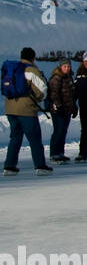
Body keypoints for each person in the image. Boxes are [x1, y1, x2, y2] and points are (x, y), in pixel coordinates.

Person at [3, 47, 52, 176]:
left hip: (10, 109)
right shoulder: (30, 70)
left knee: (15, 138)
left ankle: (9, 166)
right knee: (34, 138)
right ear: (33, 57)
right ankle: (40, 166)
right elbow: (42, 89)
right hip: (26, 110)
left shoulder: (12, 69)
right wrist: (37, 99)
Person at [45, 58, 76, 163]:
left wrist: (73, 107)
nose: (67, 68)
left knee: (63, 131)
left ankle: (60, 152)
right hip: (57, 110)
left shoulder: (69, 77)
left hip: (67, 109)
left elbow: (72, 95)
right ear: (60, 67)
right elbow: (54, 94)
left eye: (68, 66)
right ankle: (54, 153)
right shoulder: (56, 78)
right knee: (58, 131)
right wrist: (58, 106)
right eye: (65, 66)